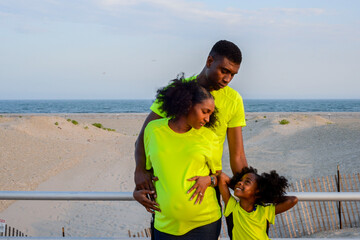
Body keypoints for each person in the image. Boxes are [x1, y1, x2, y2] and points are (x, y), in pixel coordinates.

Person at [134, 40, 248, 213]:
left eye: (232, 74)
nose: (227, 79)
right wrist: (140, 170)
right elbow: (144, 136)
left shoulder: (234, 100)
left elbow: (238, 156)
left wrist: (249, 190)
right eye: (224, 71)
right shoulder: (176, 92)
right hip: (167, 194)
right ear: (210, 61)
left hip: (206, 191)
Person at [134, 78, 222, 239]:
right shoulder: (153, 130)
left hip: (204, 223)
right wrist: (137, 192)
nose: (208, 119)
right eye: (205, 111)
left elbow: (218, 176)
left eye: (211, 113)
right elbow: (150, 172)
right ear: (187, 105)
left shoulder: (209, 137)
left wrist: (209, 180)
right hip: (165, 224)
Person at [217, 167, 298, 240]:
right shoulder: (232, 207)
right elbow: (222, 177)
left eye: (247, 182)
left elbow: (293, 200)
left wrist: (264, 196)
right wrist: (238, 188)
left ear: (257, 191)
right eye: (240, 180)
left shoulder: (265, 211)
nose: (240, 182)